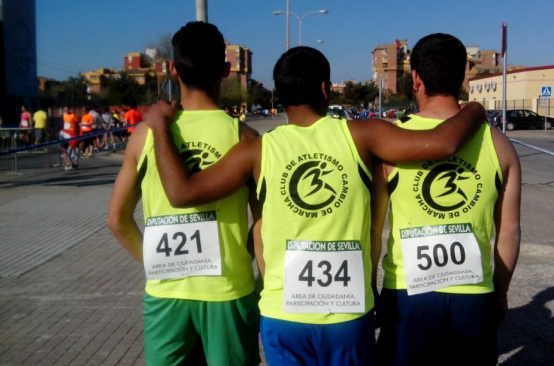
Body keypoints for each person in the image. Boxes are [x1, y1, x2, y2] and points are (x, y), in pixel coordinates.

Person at [143, 46, 487, 365]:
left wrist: (159, 125)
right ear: (325, 89)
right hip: (347, 314)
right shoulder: (362, 135)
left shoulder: (258, 150)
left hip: (283, 315)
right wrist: (473, 107)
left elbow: (182, 192)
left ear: (280, 94)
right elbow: (444, 143)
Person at [107, 21, 261, 366]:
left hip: (166, 293)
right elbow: (264, 222)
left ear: (173, 69)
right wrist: (247, 261)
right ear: (225, 70)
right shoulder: (248, 139)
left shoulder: (143, 135)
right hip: (228, 290)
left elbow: (117, 219)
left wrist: (156, 264)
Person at [371, 33, 521, 365]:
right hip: (473, 295)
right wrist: (499, 292)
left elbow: (372, 232)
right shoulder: (499, 145)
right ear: (465, 77)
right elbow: (508, 233)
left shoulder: (390, 143)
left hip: (408, 294)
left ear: (415, 79)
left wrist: (371, 290)